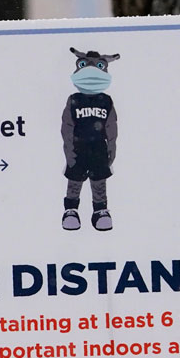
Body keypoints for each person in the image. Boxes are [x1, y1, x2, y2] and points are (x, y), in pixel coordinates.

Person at [60, 47, 119, 231]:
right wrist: (69, 151)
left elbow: (112, 127)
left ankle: (100, 212)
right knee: (75, 181)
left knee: (99, 182)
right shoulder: (73, 100)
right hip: (77, 148)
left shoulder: (106, 101)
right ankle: (71, 211)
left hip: (99, 150)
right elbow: (67, 127)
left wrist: (111, 152)